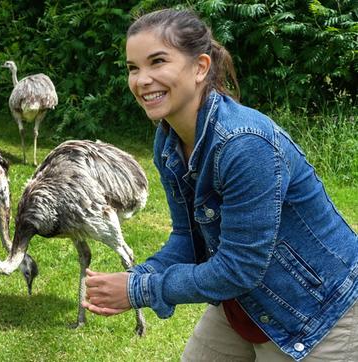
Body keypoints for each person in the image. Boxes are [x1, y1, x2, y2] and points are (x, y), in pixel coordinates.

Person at [81, 8, 358, 361]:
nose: (142, 79)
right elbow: (188, 239)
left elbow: (239, 267)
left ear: (200, 67)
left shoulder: (246, 144)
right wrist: (141, 274)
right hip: (245, 303)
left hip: (319, 312)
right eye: (133, 68)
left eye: (157, 62)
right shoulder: (168, 142)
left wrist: (140, 289)